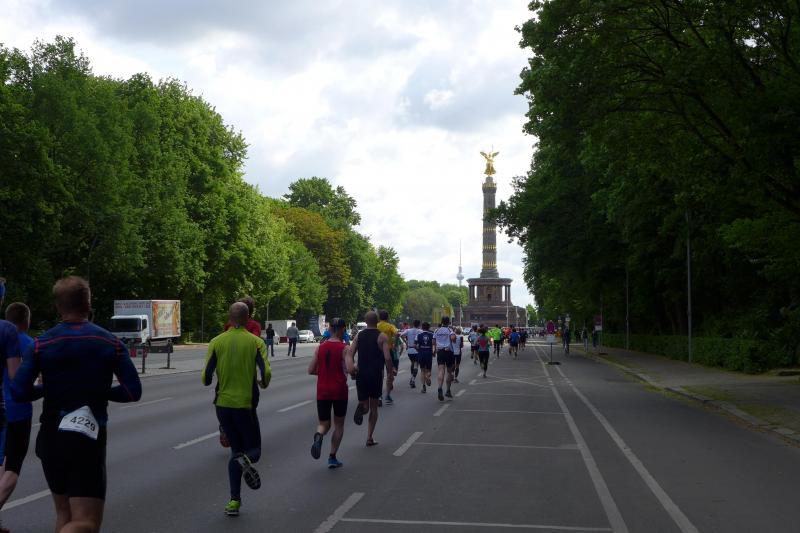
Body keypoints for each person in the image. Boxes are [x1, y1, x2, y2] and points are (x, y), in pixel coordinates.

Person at [11, 276, 142, 533]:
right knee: (86, 522)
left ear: (58, 306)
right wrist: (100, 391)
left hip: (51, 437)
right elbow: (132, 391)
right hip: (87, 439)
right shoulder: (110, 343)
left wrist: (46, 388)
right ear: (88, 304)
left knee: (65, 513)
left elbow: (18, 391)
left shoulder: (41, 344)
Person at [203, 302, 271, 517]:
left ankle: (234, 501)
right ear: (248, 317)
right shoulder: (256, 342)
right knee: (254, 451)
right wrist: (263, 383)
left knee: (235, 451)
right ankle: (245, 462)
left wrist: (214, 378)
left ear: (229, 318)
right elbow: (266, 373)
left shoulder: (216, 341)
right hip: (245, 404)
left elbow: (205, 377)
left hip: (222, 405)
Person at [0, 303, 34, 510]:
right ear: (26, 321)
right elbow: (21, 380)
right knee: (11, 468)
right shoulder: (29, 344)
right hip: (16, 411)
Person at [308, 318, 354, 468]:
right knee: (338, 425)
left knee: (324, 424)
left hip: (322, 390)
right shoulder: (345, 348)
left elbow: (310, 370)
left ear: (330, 329)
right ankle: (332, 457)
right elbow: (350, 368)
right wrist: (356, 370)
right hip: (339, 390)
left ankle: (319, 435)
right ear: (341, 329)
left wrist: (323, 372)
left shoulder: (320, 347)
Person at [348, 311, 393, 446]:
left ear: (365, 321)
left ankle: (362, 407)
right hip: (375, 374)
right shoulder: (382, 336)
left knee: (365, 405)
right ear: (377, 321)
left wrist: (352, 368)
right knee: (374, 408)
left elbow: (350, 354)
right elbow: (387, 358)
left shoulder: (359, 336)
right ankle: (369, 437)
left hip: (361, 374)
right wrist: (390, 373)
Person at [376, 310, 399, 405]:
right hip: (388, 351)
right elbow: (397, 333)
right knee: (390, 373)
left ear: (379, 317)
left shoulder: (376, 325)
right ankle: (388, 395)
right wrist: (395, 344)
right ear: (388, 317)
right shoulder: (390, 326)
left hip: (377, 352)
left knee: (379, 374)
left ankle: (379, 396)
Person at [433, 317, 456, 401]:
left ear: (441, 322)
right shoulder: (450, 330)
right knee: (449, 372)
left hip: (440, 352)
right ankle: (448, 390)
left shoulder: (437, 330)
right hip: (448, 351)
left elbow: (433, 342)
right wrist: (453, 339)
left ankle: (439, 388)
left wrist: (435, 349)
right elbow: (453, 339)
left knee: (441, 370)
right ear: (448, 322)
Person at [400, 320, 421, 388]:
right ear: (419, 324)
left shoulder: (408, 330)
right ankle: (413, 379)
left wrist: (405, 342)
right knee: (416, 365)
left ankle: (412, 377)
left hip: (410, 350)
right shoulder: (420, 331)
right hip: (417, 350)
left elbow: (401, 335)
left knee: (412, 363)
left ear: (413, 324)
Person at [415, 323, 434, 393]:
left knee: (422, 370)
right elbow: (434, 344)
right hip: (429, 354)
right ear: (429, 327)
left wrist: (418, 349)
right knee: (428, 370)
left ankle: (423, 387)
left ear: (422, 327)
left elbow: (415, 345)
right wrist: (434, 352)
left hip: (421, 354)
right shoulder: (432, 335)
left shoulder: (418, 335)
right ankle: (427, 376)